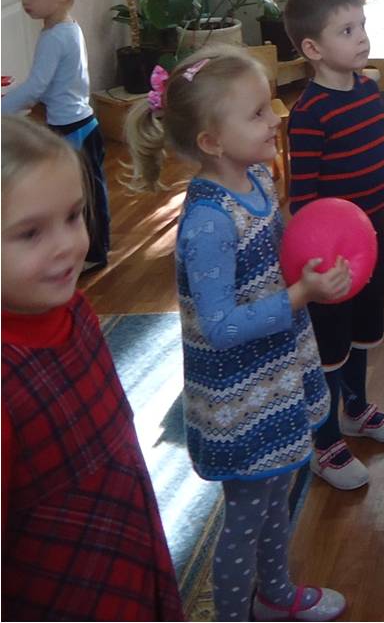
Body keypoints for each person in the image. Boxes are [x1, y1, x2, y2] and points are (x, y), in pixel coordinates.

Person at [125, 47, 348, 622]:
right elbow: (220, 327)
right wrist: (299, 296)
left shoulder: (257, 179)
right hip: (239, 398)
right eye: (256, 113)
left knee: (278, 494)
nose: (275, 118)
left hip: (274, 376)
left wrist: (314, 265)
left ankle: (274, 595)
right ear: (211, 142)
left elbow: (275, 254)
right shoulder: (208, 221)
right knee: (245, 518)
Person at [1, 116, 183, 621]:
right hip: (59, 583)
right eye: (31, 233)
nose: (67, 244)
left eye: (73, 216)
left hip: (122, 529)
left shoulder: (76, 309)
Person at [284, 0, 384, 490]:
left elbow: (376, 160)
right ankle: (325, 440)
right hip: (330, 256)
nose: (362, 38)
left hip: (371, 239)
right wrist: (315, 267)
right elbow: (302, 198)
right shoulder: (309, 114)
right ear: (313, 49)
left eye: (362, 26)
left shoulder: (368, 90)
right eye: (347, 30)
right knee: (329, 347)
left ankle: (355, 410)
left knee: (363, 332)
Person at [2, 0, 111, 271]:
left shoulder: (54, 37)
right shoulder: (67, 28)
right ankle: (95, 250)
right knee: (91, 190)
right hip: (82, 122)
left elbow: (36, 86)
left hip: (72, 128)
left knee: (83, 195)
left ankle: (94, 255)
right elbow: (54, 85)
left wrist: (4, 108)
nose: (25, 0)